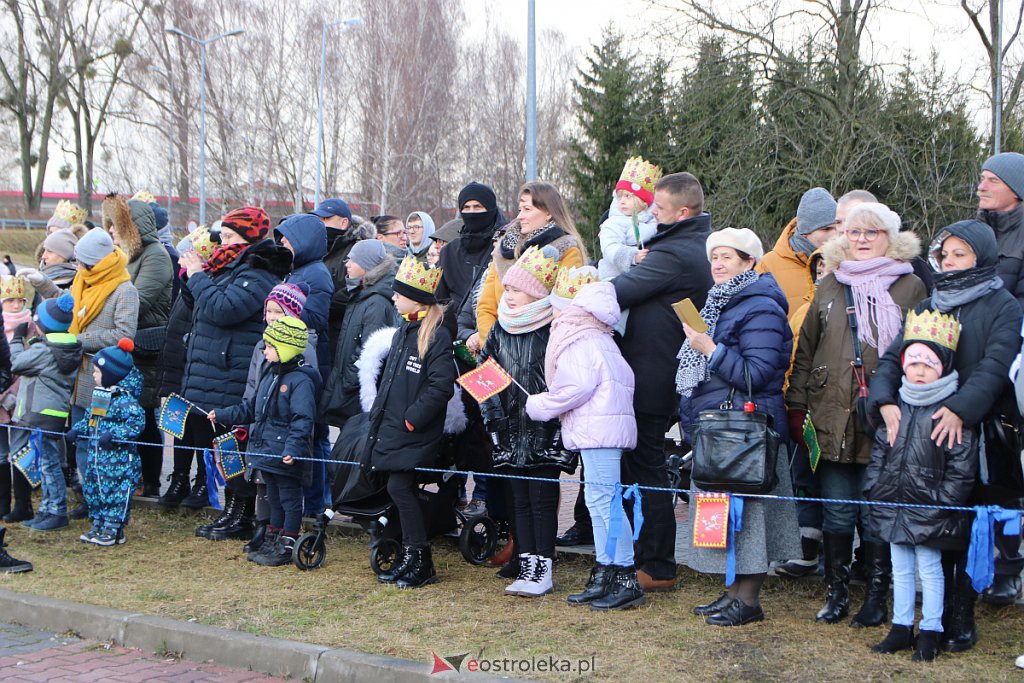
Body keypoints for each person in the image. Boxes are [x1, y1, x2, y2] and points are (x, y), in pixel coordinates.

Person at [873, 220, 1022, 651]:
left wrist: (959, 409)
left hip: (974, 430)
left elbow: (996, 366)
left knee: (966, 526)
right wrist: (883, 401)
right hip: (919, 430)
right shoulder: (929, 303)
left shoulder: (1002, 305)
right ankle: (909, 618)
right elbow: (893, 356)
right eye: (945, 254)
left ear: (982, 257)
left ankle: (960, 613)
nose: (949, 262)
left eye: (960, 254)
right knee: (925, 527)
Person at [788, 202, 926, 626]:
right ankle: (836, 593)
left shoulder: (911, 287)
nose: (862, 240)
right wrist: (797, 404)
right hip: (830, 415)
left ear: (890, 238)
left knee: (875, 513)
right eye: (856, 232)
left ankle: (877, 596)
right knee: (837, 512)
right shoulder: (830, 285)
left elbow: (920, 351)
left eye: (873, 232)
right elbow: (806, 350)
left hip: (884, 416)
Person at [677, 228, 799, 626]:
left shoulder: (761, 306)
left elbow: (758, 373)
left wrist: (709, 349)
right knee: (726, 513)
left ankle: (748, 600)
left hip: (747, 431)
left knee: (749, 516)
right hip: (722, 429)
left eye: (727, 257)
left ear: (749, 261)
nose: (717, 264)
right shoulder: (722, 303)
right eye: (714, 257)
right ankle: (732, 592)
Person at [612, 171, 714, 592]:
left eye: (660, 207)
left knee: (648, 469)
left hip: (651, 380)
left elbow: (621, 289)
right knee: (643, 468)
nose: (651, 211)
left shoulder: (673, 254)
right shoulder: (682, 245)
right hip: (650, 375)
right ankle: (646, 558)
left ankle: (656, 564)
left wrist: (577, 292)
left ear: (683, 212)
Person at [525, 272, 643, 610]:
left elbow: (573, 388)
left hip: (599, 429)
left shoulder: (579, 339)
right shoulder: (599, 337)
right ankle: (608, 571)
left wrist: (538, 405)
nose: (554, 315)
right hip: (601, 427)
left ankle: (622, 575)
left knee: (605, 503)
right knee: (599, 501)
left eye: (557, 308)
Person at [864, 310, 977, 662]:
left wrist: (944, 503)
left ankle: (931, 630)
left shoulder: (951, 411)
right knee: (900, 567)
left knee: (929, 569)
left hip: (932, 510)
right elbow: (881, 452)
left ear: (941, 368)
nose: (919, 371)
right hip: (894, 505)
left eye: (927, 365)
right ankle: (900, 627)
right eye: (913, 363)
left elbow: (962, 467)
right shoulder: (896, 405)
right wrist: (874, 490)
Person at [174, 208, 291, 513]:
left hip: (230, 372)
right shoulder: (225, 266)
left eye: (228, 236)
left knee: (232, 445)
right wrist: (191, 279)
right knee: (215, 445)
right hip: (209, 370)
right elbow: (201, 306)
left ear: (248, 237)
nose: (222, 243)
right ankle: (229, 509)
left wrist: (199, 277)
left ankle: (241, 511)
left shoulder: (257, 272)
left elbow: (224, 310)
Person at [480, 246, 577, 598]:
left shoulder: (555, 327)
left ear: (537, 292)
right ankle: (526, 562)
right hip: (509, 432)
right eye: (508, 289)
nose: (509, 296)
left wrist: (553, 419)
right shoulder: (500, 329)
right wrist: (493, 422)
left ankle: (544, 565)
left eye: (517, 290)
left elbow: (566, 380)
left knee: (541, 499)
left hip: (544, 430)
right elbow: (486, 379)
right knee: (518, 499)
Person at [365, 255, 454, 589]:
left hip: (413, 429)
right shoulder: (404, 331)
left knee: (400, 487)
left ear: (416, 298)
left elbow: (440, 386)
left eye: (399, 294)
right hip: (393, 426)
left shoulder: (436, 336)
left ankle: (420, 558)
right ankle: (410, 553)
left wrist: (412, 420)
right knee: (397, 488)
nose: (393, 298)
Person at [211, 316, 318, 567]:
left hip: (284, 453)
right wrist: (224, 414)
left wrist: (293, 448)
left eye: (269, 346)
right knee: (273, 496)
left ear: (284, 348)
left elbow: (303, 419)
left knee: (289, 499)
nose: (264, 350)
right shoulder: (270, 374)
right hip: (266, 450)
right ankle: (273, 536)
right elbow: (251, 409)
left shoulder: (301, 381)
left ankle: (288, 541)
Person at [66, 228, 139, 521]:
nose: (78, 267)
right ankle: (89, 496)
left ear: (96, 263)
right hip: (78, 376)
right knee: (82, 438)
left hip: (103, 380)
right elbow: (67, 308)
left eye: (82, 262)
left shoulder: (125, 290)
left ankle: (111, 499)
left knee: (100, 442)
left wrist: (81, 339)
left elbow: (124, 334)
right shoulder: (82, 281)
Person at [103, 194, 173, 498]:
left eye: (116, 226)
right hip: (124, 344)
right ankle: (129, 476)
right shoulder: (124, 255)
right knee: (125, 415)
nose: (111, 232)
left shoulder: (155, 255)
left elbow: (137, 301)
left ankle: (151, 481)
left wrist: (103, 306)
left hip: (144, 346)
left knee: (144, 417)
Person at [475, 183, 585, 345]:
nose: (520, 216)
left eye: (527, 209)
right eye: (520, 209)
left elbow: (566, 308)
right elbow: (486, 308)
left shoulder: (566, 250)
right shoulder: (503, 250)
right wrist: (494, 348)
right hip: (500, 348)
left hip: (543, 348)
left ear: (548, 213)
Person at [8, 293, 81, 532]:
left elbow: (17, 363)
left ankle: (56, 510)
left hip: (39, 413)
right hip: (54, 413)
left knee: (48, 465)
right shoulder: (67, 346)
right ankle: (47, 509)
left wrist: (17, 339)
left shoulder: (44, 351)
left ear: (44, 326)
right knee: (47, 463)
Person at [68, 338, 146, 546]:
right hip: (97, 458)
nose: (93, 376)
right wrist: (78, 429)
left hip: (118, 461)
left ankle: (114, 528)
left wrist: (114, 434)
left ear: (111, 374)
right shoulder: (101, 395)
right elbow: (91, 418)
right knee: (94, 490)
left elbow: (136, 424)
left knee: (116, 494)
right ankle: (98, 523)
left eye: (97, 373)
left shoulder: (126, 400)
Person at [320, 239, 399, 429]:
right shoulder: (363, 294)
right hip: (350, 386)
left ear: (367, 264)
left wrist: (348, 380)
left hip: (356, 391)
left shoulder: (376, 302)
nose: (346, 264)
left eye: (352, 260)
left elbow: (369, 350)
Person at [756, 187, 837, 318]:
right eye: (826, 229)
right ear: (805, 232)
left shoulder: (845, 261)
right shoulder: (768, 266)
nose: (834, 235)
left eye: (836, 227)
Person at [0, 276, 36, 523]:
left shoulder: (31, 326)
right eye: (9, 300)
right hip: (0, 393)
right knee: (1, 452)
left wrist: (13, 391)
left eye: (19, 300)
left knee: (21, 449)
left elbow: (32, 361)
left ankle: (23, 503)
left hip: (21, 394)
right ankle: (3, 501)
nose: (15, 306)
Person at [436, 182, 502, 310]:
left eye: (477, 207)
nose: (471, 213)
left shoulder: (502, 247)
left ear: (490, 209)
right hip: (453, 325)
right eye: (466, 207)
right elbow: (440, 298)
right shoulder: (449, 252)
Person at [597, 156, 662, 281]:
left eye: (627, 196)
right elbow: (610, 247)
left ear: (643, 201)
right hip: (613, 278)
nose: (622, 201)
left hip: (641, 276)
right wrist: (632, 256)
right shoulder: (613, 222)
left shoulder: (653, 221)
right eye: (619, 197)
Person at [976, 151, 1024, 308]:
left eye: (993, 180)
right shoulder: (971, 233)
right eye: (983, 179)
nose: (981, 187)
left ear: (1017, 191)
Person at [310, 198, 359, 350]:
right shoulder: (316, 246)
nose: (320, 223)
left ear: (344, 222)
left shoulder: (356, 249)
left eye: (326, 219)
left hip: (340, 334)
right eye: (318, 219)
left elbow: (355, 289)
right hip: (318, 331)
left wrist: (322, 306)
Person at [19, 228, 81, 303]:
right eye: (44, 250)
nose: (43, 256)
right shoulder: (40, 276)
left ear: (65, 255)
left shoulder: (77, 281)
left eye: (50, 251)